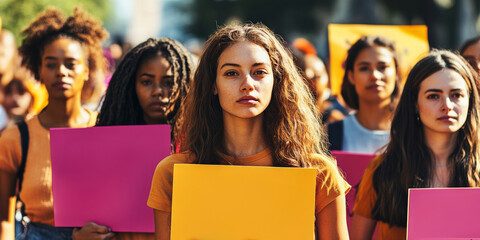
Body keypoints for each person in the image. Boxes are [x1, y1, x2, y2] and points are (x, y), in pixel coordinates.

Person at [147, 23, 350, 240]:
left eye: (259, 72)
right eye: (232, 73)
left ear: (277, 80)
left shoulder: (319, 174)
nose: (247, 84)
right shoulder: (173, 173)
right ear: (213, 84)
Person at [0, 7, 109, 240]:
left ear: (86, 70)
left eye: (70, 64)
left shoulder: (107, 130)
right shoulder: (16, 138)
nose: (61, 72)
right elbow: (4, 221)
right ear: (38, 70)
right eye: (51, 64)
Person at [350, 49, 480, 240]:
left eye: (456, 95)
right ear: (415, 104)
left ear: (470, 100)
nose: (447, 105)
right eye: (433, 96)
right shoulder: (383, 169)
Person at [97, 37, 194, 153]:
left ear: (184, 85)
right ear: (132, 85)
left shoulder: (196, 144)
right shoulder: (109, 141)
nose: (157, 91)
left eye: (168, 83)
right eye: (146, 82)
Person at [327, 36, 401, 154]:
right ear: (351, 76)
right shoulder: (330, 136)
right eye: (364, 68)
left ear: (396, 72)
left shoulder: (415, 134)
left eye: (382, 67)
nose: (375, 76)